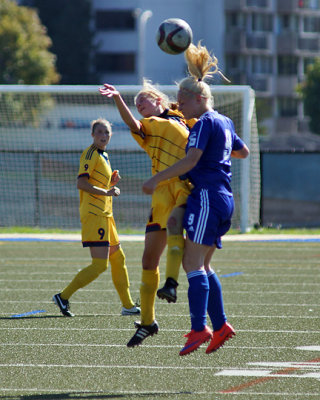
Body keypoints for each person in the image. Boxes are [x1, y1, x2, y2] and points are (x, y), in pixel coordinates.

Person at [142, 42, 250, 356]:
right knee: (203, 264)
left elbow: (190, 161)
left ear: (200, 99)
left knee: (191, 263)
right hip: (224, 197)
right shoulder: (225, 122)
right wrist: (219, 155)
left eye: (182, 102)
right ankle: (221, 326)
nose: (178, 108)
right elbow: (242, 151)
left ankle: (198, 327)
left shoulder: (203, 122)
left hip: (206, 196)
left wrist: (156, 179)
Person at [99, 80, 194, 346]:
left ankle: (172, 283)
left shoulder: (183, 117)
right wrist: (117, 97)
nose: (139, 104)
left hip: (185, 185)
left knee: (176, 228)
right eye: (136, 102)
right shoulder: (146, 128)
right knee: (148, 260)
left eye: (143, 99)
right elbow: (131, 123)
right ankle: (148, 322)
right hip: (161, 192)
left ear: (159, 101)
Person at [53, 118, 140, 317]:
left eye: (107, 132)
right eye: (100, 132)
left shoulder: (104, 155)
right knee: (100, 264)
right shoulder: (90, 153)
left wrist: (110, 183)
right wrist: (107, 192)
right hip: (94, 214)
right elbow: (81, 184)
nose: (103, 136)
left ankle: (128, 305)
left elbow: (97, 184)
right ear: (92, 135)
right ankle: (63, 296)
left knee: (119, 258)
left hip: (106, 214)